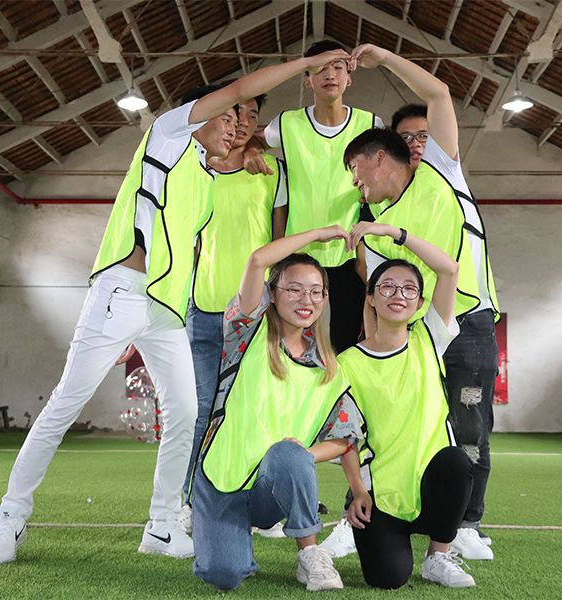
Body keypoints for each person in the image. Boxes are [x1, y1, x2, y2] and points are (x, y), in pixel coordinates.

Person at [0, 47, 351, 565]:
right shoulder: (167, 134)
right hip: (121, 292)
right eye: (226, 118)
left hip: (169, 311)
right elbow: (240, 90)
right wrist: (308, 64)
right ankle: (11, 515)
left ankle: (161, 523)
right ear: (198, 115)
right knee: (66, 404)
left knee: (186, 412)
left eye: (237, 122)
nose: (235, 127)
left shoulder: (207, 177)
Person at [321, 44, 500, 561]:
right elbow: (376, 294)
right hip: (409, 336)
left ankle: (466, 525)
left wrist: (384, 58)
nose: (356, 182)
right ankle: (358, 513)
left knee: (470, 427)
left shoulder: (440, 171)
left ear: (380, 156)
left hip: (465, 321)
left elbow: (439, 93)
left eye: (356, 168)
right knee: (382, 424)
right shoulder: (373, 226)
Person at [191, 226, 364, 592]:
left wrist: (303, 455)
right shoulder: (245, 332)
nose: (306, 299)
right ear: (272, 294)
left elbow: (345, 437)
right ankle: (229, 541)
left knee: (289, 454)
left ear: (325, 298)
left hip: (270, 486)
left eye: (316, 291)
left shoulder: (330, 368)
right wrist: (318, 235)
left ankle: (309, 554)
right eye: (294, 289)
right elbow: (258, 260)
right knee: (224, 575)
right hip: (222, 478)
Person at [340, 222, 475, 589]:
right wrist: (357, 489)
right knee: (387, 578)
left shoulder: (428, 338)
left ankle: (438, 555)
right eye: (387, 286)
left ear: (419, 302)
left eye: (409, 288)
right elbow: (344, 435)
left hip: (433, 485)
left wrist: (391, 232)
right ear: (371, 297)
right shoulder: (348, 363)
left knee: (456, 462)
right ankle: (368, 527)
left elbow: (449, 269)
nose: (397, 294)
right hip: (381, 493)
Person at [179, 94, 287, 532]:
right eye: (233, 115)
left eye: (251, 116)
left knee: (257, 410)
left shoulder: (272, 171)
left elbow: (280, 240)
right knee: (201, 412)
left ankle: (263, 506)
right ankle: (189, 501)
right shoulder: (194, 170)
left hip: (256, 313)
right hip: (204, 310)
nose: (241, 124)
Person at [252, 40, 383, 353]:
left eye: (337, 67)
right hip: (298, 257)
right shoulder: (286, 123)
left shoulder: (370, 124)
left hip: (348, 256)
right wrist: (251, 153)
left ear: (349, 77)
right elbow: (255, 142)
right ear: (307, 79)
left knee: (344, 347)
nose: (330, 75)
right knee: (290, 346)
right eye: (320, 68)